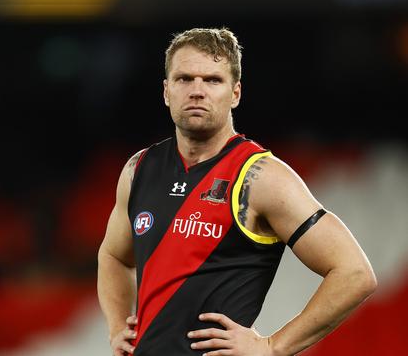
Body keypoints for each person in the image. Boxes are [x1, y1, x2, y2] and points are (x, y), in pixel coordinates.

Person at [97, 28, 376, 356]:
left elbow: (355, 273)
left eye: (213, 80)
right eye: (184, 79)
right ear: (166, 91)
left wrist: (273, 346)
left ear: (236, 93)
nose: (197, 91)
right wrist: (118, 327)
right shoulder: (138, 169)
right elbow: (113, 256)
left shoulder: (261, 178)